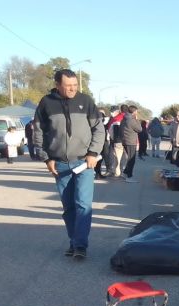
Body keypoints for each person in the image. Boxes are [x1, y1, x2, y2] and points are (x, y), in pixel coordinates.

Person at [33, 69, 105, 260]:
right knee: (69, 207)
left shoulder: (86, 101)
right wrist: (46, 158)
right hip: (59, 164)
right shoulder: (46, 103)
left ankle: (80, 245)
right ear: (58, 85)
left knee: (83, 204)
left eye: (75, 85)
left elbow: (99, 129)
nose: (73, 89)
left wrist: (93, 153)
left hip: (84, 162)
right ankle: (74, 242)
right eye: (68, 86)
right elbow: (38, 132)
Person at [119, 105, 142, 182]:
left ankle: (125, 173)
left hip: (125, 141)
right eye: (136, 111)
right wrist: (137, 120)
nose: (137, 113)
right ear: (134, 112)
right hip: (131, 142)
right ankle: (129, 176)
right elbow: (140, 129)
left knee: (129, 158)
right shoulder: (131, 120)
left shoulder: (124, 119)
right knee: (131, 159)